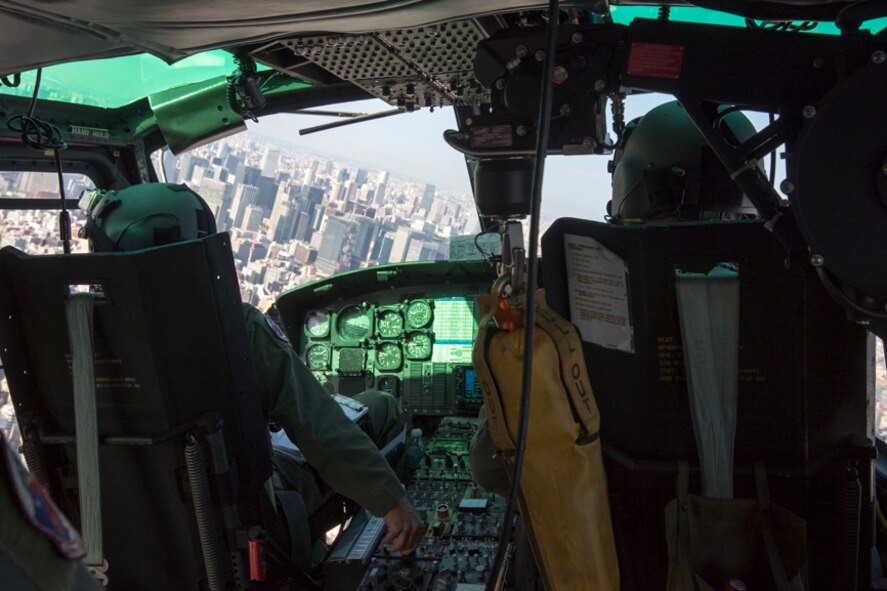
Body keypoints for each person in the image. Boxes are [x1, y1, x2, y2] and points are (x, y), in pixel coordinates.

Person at [78, 183, 424, 554]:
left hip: (122, 532)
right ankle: (370, 556)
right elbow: (319, 425)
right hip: (242, 517)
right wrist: (392, 501)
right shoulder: (234, 327)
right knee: (381, 407)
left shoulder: (72, 333)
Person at [469, 99, 758, 491]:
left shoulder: (566, 302)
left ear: (633, 185)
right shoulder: (801, 295)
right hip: (767, 533)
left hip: (602, 543)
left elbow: (491, 470)